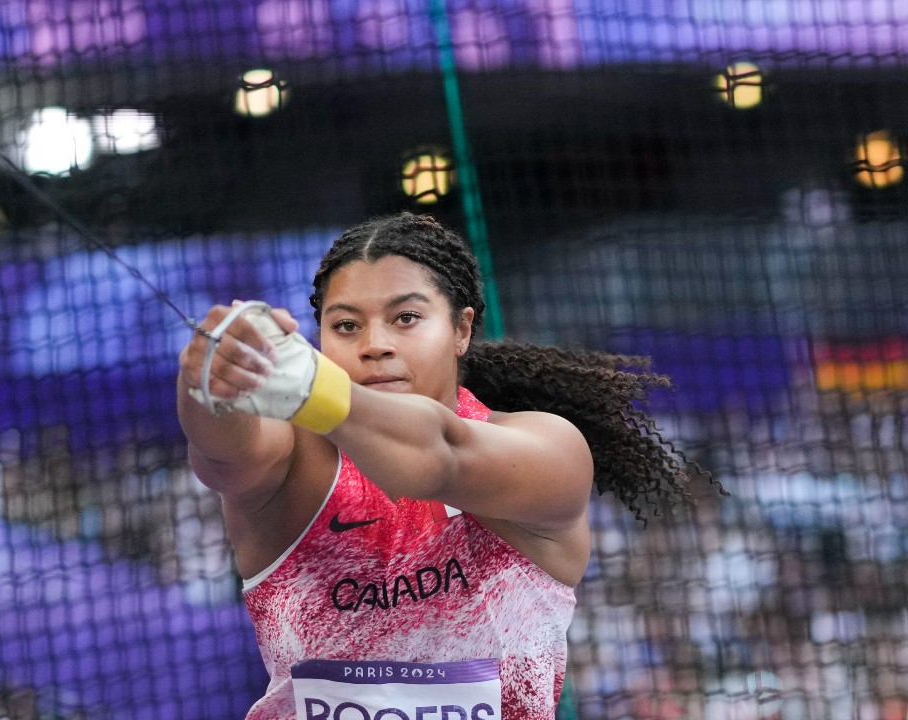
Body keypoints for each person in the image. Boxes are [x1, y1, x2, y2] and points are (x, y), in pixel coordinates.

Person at [176, 212, 719, 720]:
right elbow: (223, 454)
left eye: (406, 318)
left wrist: (317, 387)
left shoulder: (545, 447)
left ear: (461, 329)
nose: (375, 345)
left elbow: (438, 455)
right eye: (345, 327)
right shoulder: (296, 458)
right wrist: (210, 387)